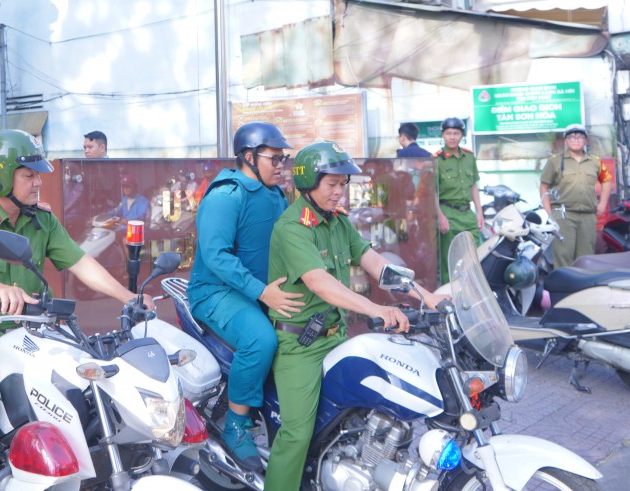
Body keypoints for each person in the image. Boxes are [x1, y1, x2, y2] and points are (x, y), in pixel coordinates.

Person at [0, 129, 151, 491]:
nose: (38, 182)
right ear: (0, 176)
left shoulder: (41, 221)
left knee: (81, 391)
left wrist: (127, 297)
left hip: (29, 335)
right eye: (29, 174)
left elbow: (81, 263)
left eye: (38, 173)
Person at [264, 141, 447, 491]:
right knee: (297, 434)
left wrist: (427, 297)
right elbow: (320, 284)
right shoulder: (293, 227)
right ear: (309, 182)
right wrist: (378, 309)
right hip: (299, 345)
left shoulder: (338, 222)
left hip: (334, 337)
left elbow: (376, 264)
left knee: (360, 415)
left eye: (343, 184)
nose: (339, 192)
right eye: (332, 184)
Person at [187, 122, 304, 470]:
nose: (281, 165)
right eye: (275, 158)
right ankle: (237, 424)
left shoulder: (275, 194)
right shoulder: (226, 195)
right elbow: (216, 255)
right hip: (216, 292)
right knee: (261, 339)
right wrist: (261, 292)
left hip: (259, 292)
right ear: (249, 157)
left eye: (284, 158)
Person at [540, 123, 614, 266]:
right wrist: (549, 211)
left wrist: (603, 203)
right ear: (566, 140)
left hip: (587, 215)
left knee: (586, 257)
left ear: (585, 141)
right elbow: (544, 186)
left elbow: (607, 181)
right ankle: (563, 288)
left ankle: (584, 287)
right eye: (572, 137)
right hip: (563, 215)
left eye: (580, 136)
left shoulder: (595, 162)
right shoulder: (555, 161)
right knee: (563, 255)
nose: (576, 139)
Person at [433, 117, 483, 282]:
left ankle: (474, 294)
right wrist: (440, 215)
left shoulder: (469, 157)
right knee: (451, 260)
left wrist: (479, 212)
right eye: (448, 133)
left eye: (456, 133)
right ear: (443, 135)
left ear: (462, 135)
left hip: (467, 214)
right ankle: (451, 298)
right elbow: (432, 191)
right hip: (448, 213)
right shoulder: (437, 160)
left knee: (475, 257)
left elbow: (473, 186)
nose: (452, 137)